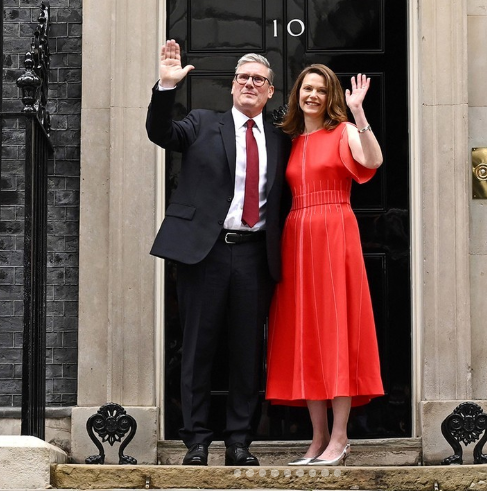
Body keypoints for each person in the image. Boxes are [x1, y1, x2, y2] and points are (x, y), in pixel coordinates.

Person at [146, 40, 291, 466]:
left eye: (258, 80)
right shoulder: (201, 123)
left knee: (247, 352)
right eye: (242, 78)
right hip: (204, 253)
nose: (249, 84)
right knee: (197, 348)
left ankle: (240, 441)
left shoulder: (282, 138)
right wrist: (166, 87)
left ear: (269, 92)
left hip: (253, 255)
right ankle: (196, 441)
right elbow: (161, 133)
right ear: (232, 87)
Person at [265, 64, 385, 466]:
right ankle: (317, 440)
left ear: (331, 95)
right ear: (297, 93)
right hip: (298, 235)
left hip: (335, 230)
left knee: (337, 331)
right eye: (306, 88)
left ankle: (340, 437)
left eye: (320, 89)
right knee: (307, 333)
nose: (312, 95)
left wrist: (359, 113)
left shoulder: (343, 131)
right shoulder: (292, 140)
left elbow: (374, 160)